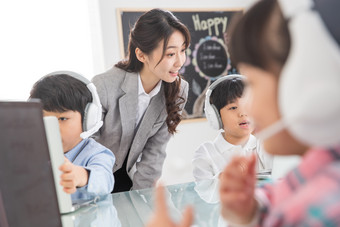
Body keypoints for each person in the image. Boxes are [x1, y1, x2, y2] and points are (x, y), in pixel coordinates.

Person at [147, 0, 340, 226]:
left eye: (254, 84)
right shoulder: (316, 167)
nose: (247, 109)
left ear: (312, 90)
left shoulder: (327, 209)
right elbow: (278, 195)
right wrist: (250, 212)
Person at [92, 8, 190, 192]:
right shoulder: (104, 86)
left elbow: (155, 153)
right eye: (170, 54)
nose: (179, 62)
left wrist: (142, 201)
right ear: (141, 54)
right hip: (93, 176)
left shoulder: (179, 89)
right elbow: (85, 145)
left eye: (182, 51)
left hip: (128, 177)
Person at [29, 71, 115, 197]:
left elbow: (104, 181)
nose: (52, 127)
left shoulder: (97, 153)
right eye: (44, 119)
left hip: (88, 215)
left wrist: (81, 175)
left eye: (62, 119)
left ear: (87, 120)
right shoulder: (33, 153)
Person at [192, 75, 272, 183]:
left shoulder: (264, 145)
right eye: (233, 107)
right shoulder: (206, 153)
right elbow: (204, 193)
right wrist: (221, 179)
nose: (243, 113)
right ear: (216, 116)